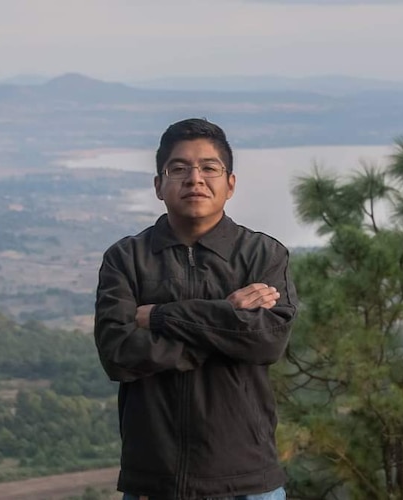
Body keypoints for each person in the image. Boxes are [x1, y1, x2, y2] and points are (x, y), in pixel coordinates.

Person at [94, 118, 297, 500]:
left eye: (209, 167)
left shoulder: (263, 256)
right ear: (159, 185)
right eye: (179, 168)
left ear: (230, 184)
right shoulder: (127, 259)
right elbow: (118, 353)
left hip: (248, 482)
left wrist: (159, 317)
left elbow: (266, 342)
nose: (194, 178)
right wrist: (225, 318)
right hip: (154, 482)